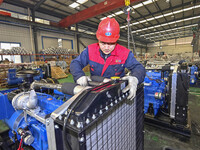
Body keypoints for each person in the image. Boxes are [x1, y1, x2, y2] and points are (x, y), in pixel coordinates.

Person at [70, 17, 145, 100]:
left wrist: (135, 78)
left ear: (117, 39)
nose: (106, 47)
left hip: (116, 93)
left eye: (111, 43)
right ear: (98, 38)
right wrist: (79, 76)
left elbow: (139, 67)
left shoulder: (124, 53)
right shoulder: (90, 50)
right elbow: (75, 63)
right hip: (95, 90)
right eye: (102, 43)